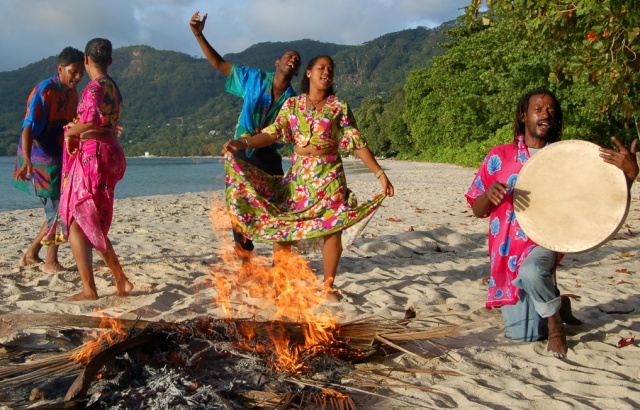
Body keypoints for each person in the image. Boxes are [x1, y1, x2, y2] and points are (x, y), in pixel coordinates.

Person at [465, 88, 638, 358]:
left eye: (551, 110)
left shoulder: (565, 157)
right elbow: (477, 208)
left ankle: (556, 323)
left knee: (533, 272)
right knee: (525, 335)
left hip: (546, 241)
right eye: (539, 109)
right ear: (524, 115)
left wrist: (629, 176)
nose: (546, 114)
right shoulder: (500, 155)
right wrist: (488, 196)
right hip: (507, 253)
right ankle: (559, 301)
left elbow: (603, 200)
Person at [224, 55, 395, 301]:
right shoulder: (292, 106)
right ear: (309, 73)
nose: (327, 72)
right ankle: (279, 284)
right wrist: (244, 142)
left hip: (330, 176)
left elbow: (356, 142)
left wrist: (380, 174)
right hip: (300, 177)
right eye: (321, 68)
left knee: (333, 229)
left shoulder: (339, 107)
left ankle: (328, 287)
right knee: (285, 228)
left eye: (331, 69)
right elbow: (272, 133)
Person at [190, 11, 302, 262]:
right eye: (288, 56)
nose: (293, 59)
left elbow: (290, 134)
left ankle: (280, 264)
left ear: (296, 72)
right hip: (241, 153)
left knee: (276, 206)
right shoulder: (254, 79)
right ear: (277, 62)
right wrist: (199, 34)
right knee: (239, 209)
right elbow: (219, 64)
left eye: (297, 59)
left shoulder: (294, 101)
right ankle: (244, 261)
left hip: (269, 156)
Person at [42, 38, 133, 301]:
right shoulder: (113, 87)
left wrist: (71, 130)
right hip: (110, 152)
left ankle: (89, 289)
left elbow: (91, 120)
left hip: (94, 155)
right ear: (110, 62)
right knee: (91, 220)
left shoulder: (93, 87)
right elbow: (104, 121)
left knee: (75, 221)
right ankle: (121, 280)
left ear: (85, 60)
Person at [12, 47, 85, 274]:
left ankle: (32, 253)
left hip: (62, 157)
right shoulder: (44, 90)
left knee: (60, 208)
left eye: (81, 72)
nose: (78, 77)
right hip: (40, 159)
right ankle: (50, 261)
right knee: (57, 212)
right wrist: (26, 161)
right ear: (60, 68)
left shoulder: (73, 94)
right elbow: (27, 127)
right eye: (73, 72)